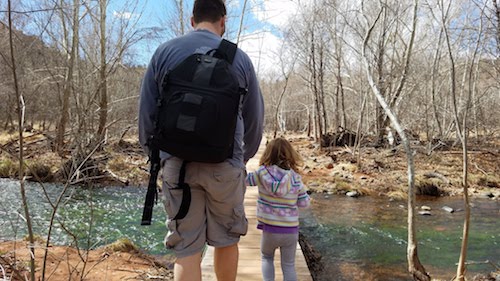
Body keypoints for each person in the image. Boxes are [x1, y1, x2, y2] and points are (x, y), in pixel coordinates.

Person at [138, 0, 264, 280]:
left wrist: (157, 156)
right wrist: (241, 159)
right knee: (227, 240)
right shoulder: (240, 59)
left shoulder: (164, 53)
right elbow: (255, 119)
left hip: (176, 165)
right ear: (223, 22)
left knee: (186, 248)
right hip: (224, 166)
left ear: (192, 20)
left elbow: (146, 115)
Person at [245, 137, 311, 281]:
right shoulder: (295, 178)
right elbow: (304, 203)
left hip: (270, 229)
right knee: (288, 265)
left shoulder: (261, 173)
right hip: (290, 231)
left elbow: (245, 180)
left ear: (268, 154)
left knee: (266, 258)